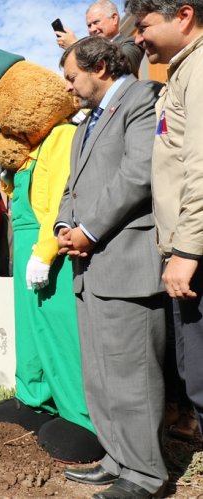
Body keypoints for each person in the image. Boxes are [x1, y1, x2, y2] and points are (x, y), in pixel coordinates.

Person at [55, 36, 165, 499]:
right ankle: (116, 458)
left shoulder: (142, 98)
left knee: (132, 374)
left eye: (72, 77)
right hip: (91, 268)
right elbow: (72, 186)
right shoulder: (84, 125)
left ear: (100, 66)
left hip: (125, 259)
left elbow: (139, 172)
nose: (69, 88)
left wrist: (90, 230)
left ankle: (145, 475)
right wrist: (65, 224)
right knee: (100, 374)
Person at [128, 0, 203, 441]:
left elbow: (200, 166)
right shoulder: (181, 73)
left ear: (184, 16)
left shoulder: (198, 71)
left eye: (144, 26)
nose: (137, 38)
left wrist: (187, 249)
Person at [55, 0, 145, 75]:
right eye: (89, 25)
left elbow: (119, 65)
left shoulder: (132, 43)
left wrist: (75, 47)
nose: (92, 29)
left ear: (114, 18)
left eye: (96, 22)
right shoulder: (90, 50)